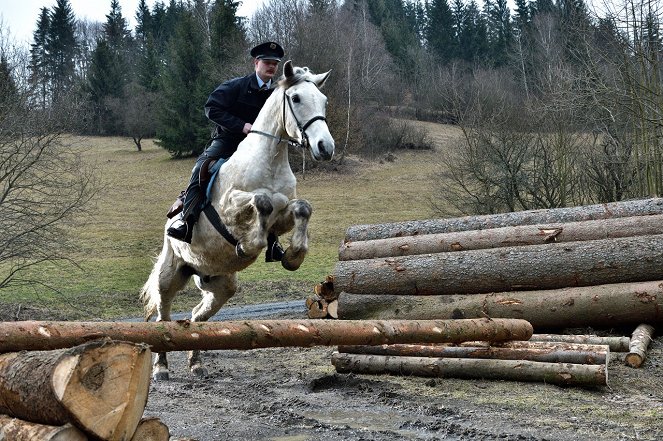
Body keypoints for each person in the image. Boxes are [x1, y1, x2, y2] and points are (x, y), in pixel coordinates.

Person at [167, 41, 286, 262]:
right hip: (228, 140)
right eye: (267, 62)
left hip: (259, 149)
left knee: (275, 185)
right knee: (202, 166)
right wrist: (242, 126)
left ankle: (273, 241)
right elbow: (211, 108)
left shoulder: (276, 94)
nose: (271, 67)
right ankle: (187, 221)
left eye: (275, 64)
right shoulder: (235, 86)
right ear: (256, 63)